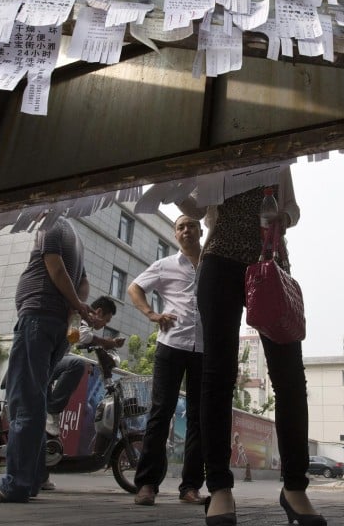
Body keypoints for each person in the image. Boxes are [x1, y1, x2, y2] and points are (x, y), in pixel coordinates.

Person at [180, 166, 325, 526]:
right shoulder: (215, 152)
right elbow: (195, 209)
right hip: (219, 262)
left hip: (270, 261)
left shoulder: (277, 151)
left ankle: (294, 487)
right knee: (217, 375)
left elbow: (293, 206)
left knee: (290, 376)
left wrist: (283, 217)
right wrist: (168, 185)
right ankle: (219, 488)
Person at [0, 216, 92, 503]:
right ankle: (31, 479)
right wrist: (78, 308)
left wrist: (77, 307)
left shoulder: (51, 224)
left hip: (37, 317)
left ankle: (15, 484)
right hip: (57, 326)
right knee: (34, 403)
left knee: (24, 401)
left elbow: (55, 267)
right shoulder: (75, 235)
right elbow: (83, 282)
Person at [128, 214, 206, 506]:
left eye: (191, 226)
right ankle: (147, 484)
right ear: (176, 234)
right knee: (161, 413)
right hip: (171, 345)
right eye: (181, 226)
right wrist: (151, 314)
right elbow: (134, 288)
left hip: (204, 350)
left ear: (200, 231)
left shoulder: (211, 263)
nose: (187, 230)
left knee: (199, 418)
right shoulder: (164, 266)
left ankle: (190, 488)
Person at [46, 296, 126, 438]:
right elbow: (83, 337)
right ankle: (52, 411)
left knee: (76, 363)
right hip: (47, 361)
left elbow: (83, 338)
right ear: (99, 312)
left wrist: (108, 343)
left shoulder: (83, 321)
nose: (104, 325)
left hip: (53, 359)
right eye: (106, 320)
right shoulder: (81, 316)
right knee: (77, 364)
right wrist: (110, 343)